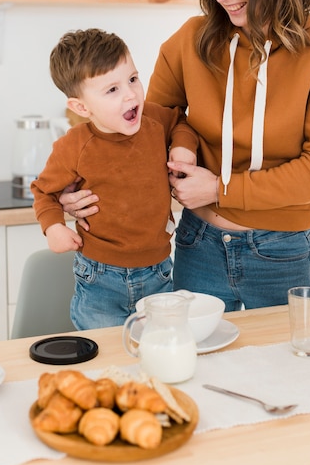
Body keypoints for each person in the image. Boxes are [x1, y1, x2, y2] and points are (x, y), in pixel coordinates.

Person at [59, 0, 310, 312]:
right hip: (196, 244)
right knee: (192, 370)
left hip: (279, 253)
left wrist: (221, 188)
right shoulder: (191, 39)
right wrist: (79, 187)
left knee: (279, 371)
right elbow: (145, 131)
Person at [31, 28, 198, 329]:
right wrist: (53, 227)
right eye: (112, 90)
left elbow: (180, 121)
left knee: (159, 354)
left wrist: (184, 146)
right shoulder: (73, 147)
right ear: (81, 107)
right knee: (106, 359)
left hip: (158, 273)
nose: (131, 94)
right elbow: (44, 192)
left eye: (133, 79)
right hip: (99, 279)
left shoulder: (154, 120)